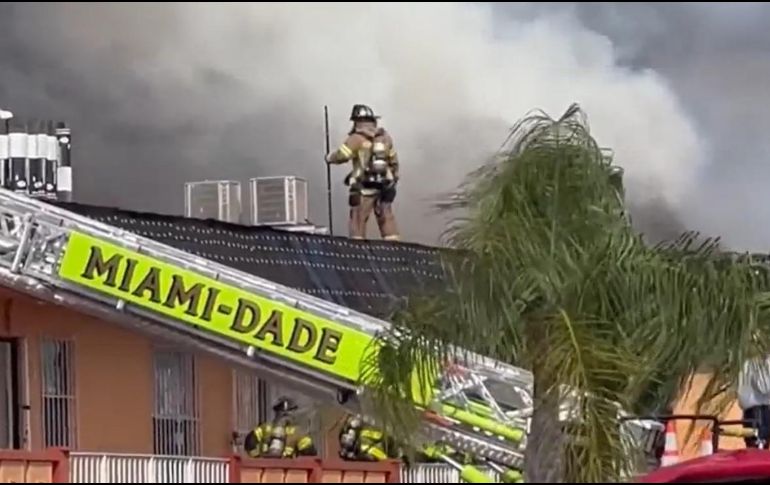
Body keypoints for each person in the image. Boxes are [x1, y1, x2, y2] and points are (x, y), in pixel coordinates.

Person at [326, 104, 400, 241]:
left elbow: (342, 155)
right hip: (384, 187)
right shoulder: (384, 138)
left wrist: (329, 157)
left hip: (363, 187)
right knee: (386, 216)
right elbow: (394, 161)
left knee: (358, 217)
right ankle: (394, 248)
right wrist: (393, 180)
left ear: (356, 121)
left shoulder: (356, 138)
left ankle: (357, 250)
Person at [243, 396, 317, 458]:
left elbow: (250, 442)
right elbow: (309, 452)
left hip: (265, 467)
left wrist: (257, 457)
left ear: (276, 412)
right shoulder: (297, 432)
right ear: (293, 412)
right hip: (287, 469)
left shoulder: (265, 428)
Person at [738, 356, 770, 449]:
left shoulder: (745, 359)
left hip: (755, 411)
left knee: (757, 449)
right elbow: (764, 387)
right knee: (758, 449)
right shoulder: (758, 362)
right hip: (758, 411)